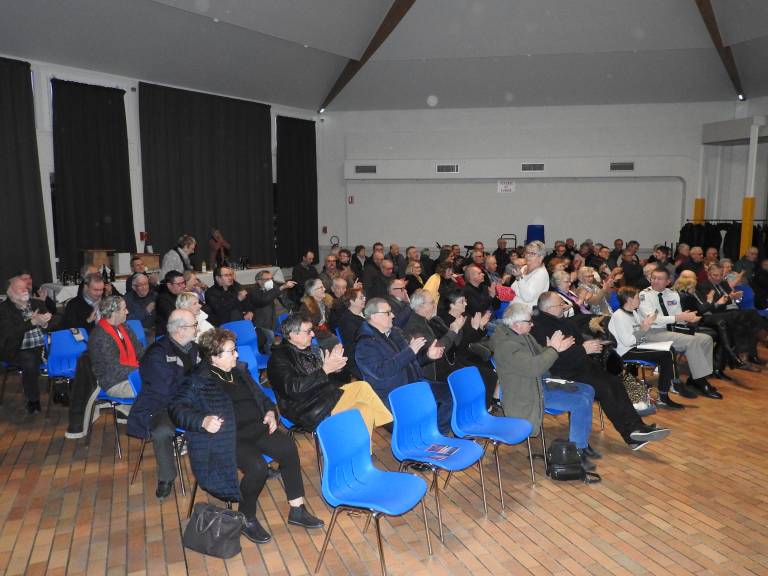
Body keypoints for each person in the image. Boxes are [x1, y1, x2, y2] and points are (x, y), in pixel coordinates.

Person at [171, 329, 324, 543]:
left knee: (288, 447)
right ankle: (246, 517)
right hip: (228, 438)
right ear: (214, 357)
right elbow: (176, 408)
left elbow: (263, 398)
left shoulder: (239, 371)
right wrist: (202, 421)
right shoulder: (198, 379)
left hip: (256, 428)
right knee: (257, 467)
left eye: (235, 350)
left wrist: (270, 413)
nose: (236, 354)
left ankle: (297, 509)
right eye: (231, 351)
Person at [531, 292, 670, 450]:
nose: (564, 307)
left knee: (614, 381)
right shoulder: (540, 328)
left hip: (580, 365)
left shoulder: (561, 321)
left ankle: (636, 428)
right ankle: (631, 433)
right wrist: (583, 350)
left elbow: (578, 343)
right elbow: (553, 359)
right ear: (548, 308)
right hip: (561, 373)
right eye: (560, 305)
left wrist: (592, 345)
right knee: (604, 388)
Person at [490, 302, 600, 469]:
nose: (532, 324)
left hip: (535, 384)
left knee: (587, 389)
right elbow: (535, 367)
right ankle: (577, 450)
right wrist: (554, 349)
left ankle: (581, 442)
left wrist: (555, 348)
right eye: (529, 322)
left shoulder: (523, 336)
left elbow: (540, 353)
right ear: (517, 324)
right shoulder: (507, 346)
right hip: (525, 394)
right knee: (579, 402)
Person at [267, 314, 392, 442]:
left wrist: (338, 369)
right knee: (362, 402)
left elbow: (331, 379)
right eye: (308, 331)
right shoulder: (278, 359)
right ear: (293, 335)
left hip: (325, 397)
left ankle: (365, 446)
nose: (313, 335)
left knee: (363, 397)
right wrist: (325, 370)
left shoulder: (314, 350)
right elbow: (293, 390)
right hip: (305, 408)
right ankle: (391, 425)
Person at [128, 309, 201, 498]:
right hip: (162, 406)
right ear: (181, 329)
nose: (197, 328)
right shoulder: (156, 354)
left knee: (227, 410)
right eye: (194, 325)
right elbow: (166, 389)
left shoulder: (192, 347)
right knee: (162, 431)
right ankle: (166, 477)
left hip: (189, 401)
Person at [355, 297, 451, 433]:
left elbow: (411, 361)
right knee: (420, 416)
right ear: (374, 317)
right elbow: (381, 372)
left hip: (414, 384)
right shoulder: (365, 344)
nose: (393, 315)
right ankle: (425, 436)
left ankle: (437, 433)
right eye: (388, 313)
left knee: (450, 394)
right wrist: (410, 351)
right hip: (394, 394)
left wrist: (428, 356)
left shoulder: (395, 333)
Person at [638, 267, 718, 398]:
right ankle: (701, 381)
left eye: (659, 279)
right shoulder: (644, 295)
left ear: (668, 281)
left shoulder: (672, 294)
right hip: (651, 333)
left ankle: (695, 378)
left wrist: (688, 319)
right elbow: (654, 320)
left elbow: (678, 316)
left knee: (706, 339)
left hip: (671, 330)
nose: (655, 281)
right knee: (692, 341)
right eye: (653, 278)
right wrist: (678, 318)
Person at [608, 287, 685, 410]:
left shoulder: (633, 313)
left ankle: (665, 393)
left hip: (636, 346)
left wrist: (646, 326)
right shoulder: (619, 316)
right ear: (630, 300)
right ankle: (664, 395)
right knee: (666, 355)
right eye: (637, 297)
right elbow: (627, 342)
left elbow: (640, 334)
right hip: (626, 352)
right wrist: (644, 329)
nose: (639, 300)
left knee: (669, 350)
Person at [0, 276, 55, 413]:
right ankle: (33, 400)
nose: (25, 290)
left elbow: (56, 323)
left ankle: (61, 391)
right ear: (10, 292)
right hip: (18, 349)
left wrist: (45, 323)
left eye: (25, 287)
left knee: (66, 352)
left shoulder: (37, 303)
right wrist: (31, 323)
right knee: (30, 359)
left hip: (42, 346)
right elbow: (9, 334)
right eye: (20, 288)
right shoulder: (4, 310)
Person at [89, 296, 144, 401]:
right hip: (114, 382)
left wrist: (152, 362)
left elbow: (139, 351)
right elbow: (114, 368)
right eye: (124, 309)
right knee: (155, 388)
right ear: (114, 313)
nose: (127, 312)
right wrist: (143, 370)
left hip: (130, 374)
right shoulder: (100, 336)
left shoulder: (125, 327)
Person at [299, 278, 339, 350]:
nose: (324, 289)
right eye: (321, 287)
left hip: (325, 332)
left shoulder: (325, 300)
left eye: (323, 286)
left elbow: (340, 303)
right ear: (312, 292)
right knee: (334, 340)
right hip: (314, 337)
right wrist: (328, 334)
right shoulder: (306, 308)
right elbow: (310, 328)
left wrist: (351, 293)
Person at [336, 287, 367, 378]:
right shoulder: (347, 320)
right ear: (352, 301)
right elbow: (359, 341)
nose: (364, 299)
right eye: (361, 298)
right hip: (357, 357)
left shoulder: (362, 314)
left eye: (364, 297)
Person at [510, 241, 550, 309]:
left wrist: (519, 277)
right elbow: (513, 287)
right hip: (514, 308)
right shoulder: (524, 268)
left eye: (532, 253)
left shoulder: (541, 274)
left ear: (541, 257)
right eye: (527, 252)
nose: (528, 256)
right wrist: (520, 292)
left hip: (528, 312)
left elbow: (527, 297)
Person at [155, 271, 188, 335]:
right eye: (179, 284)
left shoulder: (181, 294)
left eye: (184, 283)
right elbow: (176, 319)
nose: (183, 286)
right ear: (169, 285)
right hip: (169, 333)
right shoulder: (162, 300)